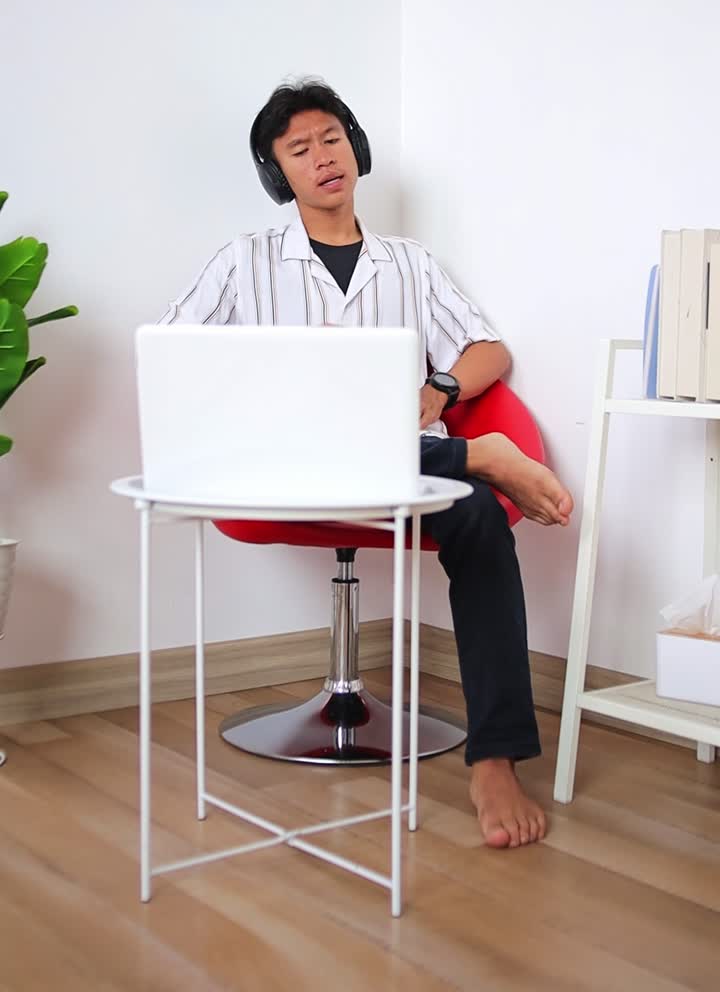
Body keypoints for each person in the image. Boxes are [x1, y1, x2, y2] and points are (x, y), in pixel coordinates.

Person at [160, 79, 573, 849]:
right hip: (281, 472)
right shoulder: (242, 263)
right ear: (276, 173)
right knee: (455, 469)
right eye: (299, 148)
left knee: (480, 515)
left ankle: (496, 758)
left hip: (395, 472)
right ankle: (476, 454)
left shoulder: (410, 264)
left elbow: (490, 349)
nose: (322, 157)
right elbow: (176, 358)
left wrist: (437, 384)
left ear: (357, 149)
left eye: (332, 138)